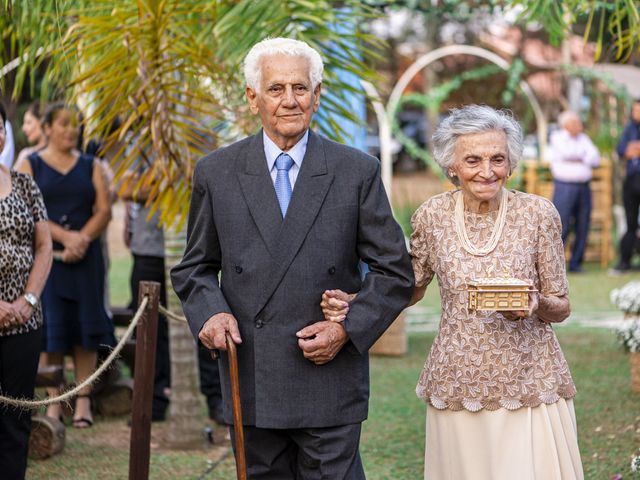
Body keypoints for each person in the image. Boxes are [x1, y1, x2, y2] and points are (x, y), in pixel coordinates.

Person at [171, 37, 414, 478]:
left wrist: (347, 328)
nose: (289, 100)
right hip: (253, 375)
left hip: (329, 377)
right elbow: (195, 267)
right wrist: (210, 314)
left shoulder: (356, 171)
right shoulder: (217, 172)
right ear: (252, 97)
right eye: (276, 89)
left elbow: (395, 270)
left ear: (317, 96)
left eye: (300, 88)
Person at [324, 105, 583, 479]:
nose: (487, 170)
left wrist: (535, 304)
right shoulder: (432, 216)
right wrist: (356, 300)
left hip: (531, 380)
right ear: (452, 166)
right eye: (473, 160)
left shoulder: (538, 214)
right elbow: (408, 287)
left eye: (498, 159)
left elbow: (561, 306)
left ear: (511, 163)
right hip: (458, 378)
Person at [15, 102, 113, 429]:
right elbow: (26, 211)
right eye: (63, 124)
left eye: (76, 124)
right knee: (51, 330)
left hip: (86, 261)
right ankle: (54, 402)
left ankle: (83, 400)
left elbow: (104, 210)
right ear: (47, 128)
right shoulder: (30, 165)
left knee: (86, 329)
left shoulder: (91, 165)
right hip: (48, 261)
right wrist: (64, 238)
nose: (71, 130)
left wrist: (81, 239)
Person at [0, 101, 53, 480]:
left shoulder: (23, 182)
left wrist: (27, 300)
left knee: (17, 418)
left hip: (23, 322)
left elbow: (44, 247)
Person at [549, 111, 600, 273]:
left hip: (583, 187)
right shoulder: (557, 137)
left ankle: (576, 264)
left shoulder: (583, 139)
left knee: (583, 224)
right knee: (561, 225)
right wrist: (583, 156)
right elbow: (567, 153)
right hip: (565, 187)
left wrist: (580, 156)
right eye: (576, 122)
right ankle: (554, 265)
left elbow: (595, 158)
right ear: (567, 124)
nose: (580, 125)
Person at [613, 98, 640, 272]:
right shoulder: (629, 128)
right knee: (630, 223)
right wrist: (632, 149)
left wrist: (635, 148)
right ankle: (625, 262)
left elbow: (632, 150)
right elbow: (622, 150)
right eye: (635, 110)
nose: (637, 114)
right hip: (632, 181)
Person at [16, 101, 46, 166]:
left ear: (42, 122)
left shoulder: (27, 155)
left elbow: (12, 176)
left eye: (28, 122)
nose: (23, 128)